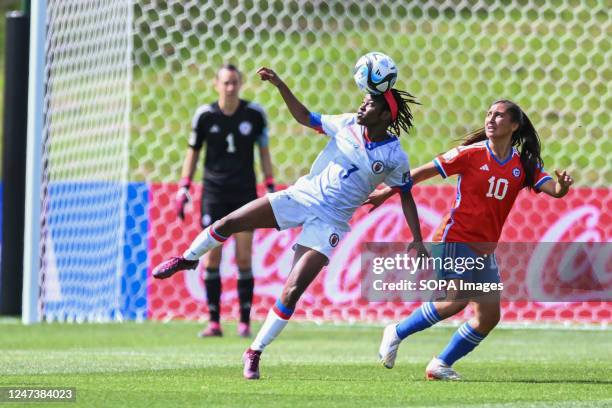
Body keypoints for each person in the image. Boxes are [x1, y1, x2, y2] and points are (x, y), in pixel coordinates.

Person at [153, 66, 426, 380]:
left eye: (370, 104)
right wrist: (280, 85)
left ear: (384, 116)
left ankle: (254, 351)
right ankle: (187, 259)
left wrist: (417, 238)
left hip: (331, 223)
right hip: (301, 196)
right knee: (229, 222)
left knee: (292, 291)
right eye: (363, 101)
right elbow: (305, 117)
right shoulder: (347, 123)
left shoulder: (394, 156)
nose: (362, 106)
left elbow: (406, 193)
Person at [368, 99, 574, 380]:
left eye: (499, 116)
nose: (491, 119)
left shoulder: (523, 164)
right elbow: (420, 173)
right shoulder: (470, 154)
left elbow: (554, 190)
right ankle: (396, 331)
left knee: (488, 316)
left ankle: (440, 364)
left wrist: (561, 186)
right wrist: (387, 191)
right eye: (489, 113)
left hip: (484, 248)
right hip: (455, 237)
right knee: (455, 301)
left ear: (514, 125)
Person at [175, 64, 275, 338]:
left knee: (244, 257)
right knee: (211, 259)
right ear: (216, 85)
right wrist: (184, 187)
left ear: (241, 84)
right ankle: (214, 322)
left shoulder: (254, 115)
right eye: (225, 83)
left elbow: (264, 152)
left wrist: (269, 185)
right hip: (214, 194)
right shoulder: (205, 116)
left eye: (234, 83)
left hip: (244, 193)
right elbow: (192, 152)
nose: (230, 88)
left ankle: (244, 322)